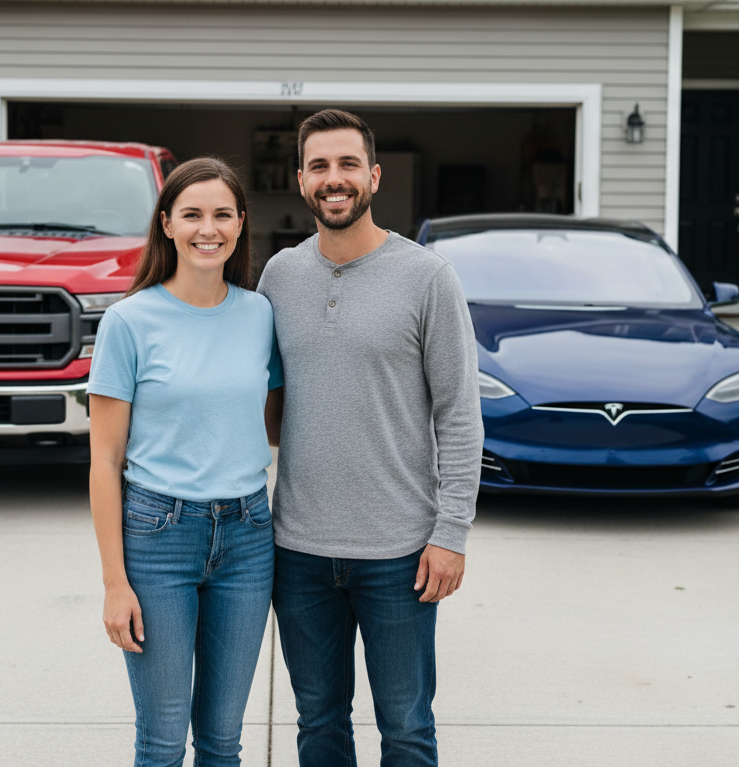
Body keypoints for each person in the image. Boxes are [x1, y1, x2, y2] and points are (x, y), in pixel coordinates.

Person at [258, 109, 483, 766]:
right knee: (318, 725)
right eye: (320, 167)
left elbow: (459, 415)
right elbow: (271, 405)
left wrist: (451, 533)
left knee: (406, 729)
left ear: (374, 176)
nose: (335, 179)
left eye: (347, 165)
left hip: (399, 554)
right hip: (296, 552)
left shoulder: (426, 277)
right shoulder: (277, 278)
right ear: (301, 180)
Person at [88, 157, 282, 767]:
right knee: (163, 740)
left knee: (224, 741)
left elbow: (272, 423)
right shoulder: (128, 322)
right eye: (192, 214)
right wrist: (115, 583)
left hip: (249, 537)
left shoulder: (261, 315)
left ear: (240, 224)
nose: (208, 228)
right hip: (157, 537)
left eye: (222, 214)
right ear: (166, 224)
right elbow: (103, 460)